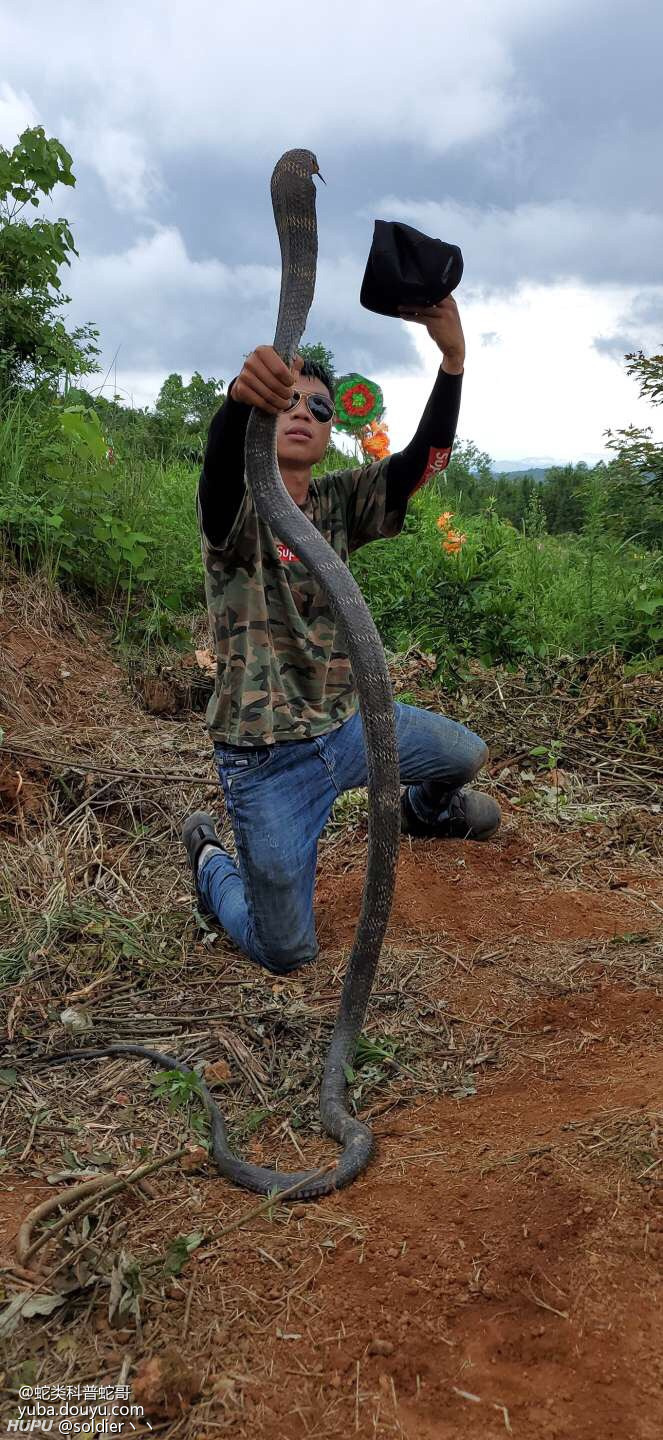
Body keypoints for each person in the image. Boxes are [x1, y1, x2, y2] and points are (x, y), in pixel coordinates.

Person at [182, 296, 500, 975]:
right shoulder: (236, 506)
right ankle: (211, 865)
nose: (303, 412)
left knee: (463, 755)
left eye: (319, 407)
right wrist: (239, 401)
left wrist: (451, 362)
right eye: (287, 400)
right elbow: (215, 469)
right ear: (265, 415)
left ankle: (424, 812)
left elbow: (420, 463)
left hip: (349, 729)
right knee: (285, 949)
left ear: (331, 430)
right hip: (266, 760)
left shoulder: (335, 502)